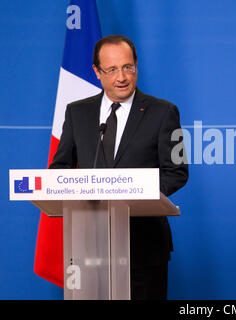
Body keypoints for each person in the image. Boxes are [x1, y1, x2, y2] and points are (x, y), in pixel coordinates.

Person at [49, 35, 188, 300]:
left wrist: (133, 193)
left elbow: (177, 172)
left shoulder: (164, 112)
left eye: (128, 67)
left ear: (137, 66)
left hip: (144, 247)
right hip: (89, 246)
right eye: (112, 70)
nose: (122, 77)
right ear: (97, 73)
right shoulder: (77, 113)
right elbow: (60, 168)